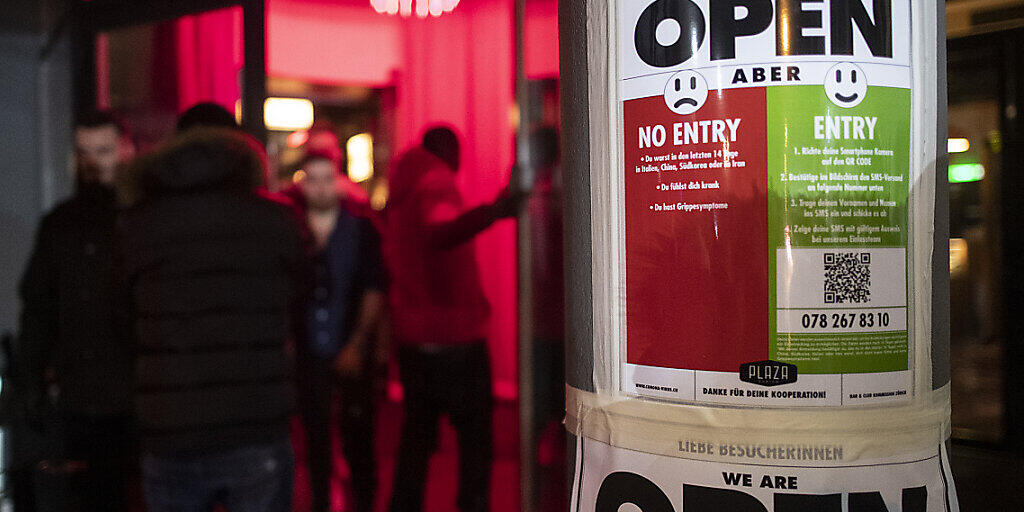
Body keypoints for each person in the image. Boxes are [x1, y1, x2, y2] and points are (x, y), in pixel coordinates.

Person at [115, 127, 305, 512]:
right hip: (255, 420)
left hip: (171, 427)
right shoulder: (275, 219)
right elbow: (301, 298)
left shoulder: (140, 225)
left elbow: (121, 318)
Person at [386, 125, 525, 512]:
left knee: (416, 440)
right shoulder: (434, 179)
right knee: (476, 442)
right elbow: (440, 231)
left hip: (415, 335)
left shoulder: (403, 185)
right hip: (453, 336)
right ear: (448, 151)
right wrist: (494, 212)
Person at [15, 109, 136, 512]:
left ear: (125, 151)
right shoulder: (63, 223)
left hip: (132, 397)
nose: (93, 161)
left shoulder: (141, 220)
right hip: (84, 395)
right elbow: (39, 307)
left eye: (103, 151)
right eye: (85, 152)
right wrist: (30, 380)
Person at [289, 149, 386, 512]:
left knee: (358, 436)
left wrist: (359, 345)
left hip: (349, 347)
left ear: (339, 181)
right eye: (312, 179)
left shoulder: (361, 230)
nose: (320, 187)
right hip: (308, 349)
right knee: (314, 437)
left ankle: (362, 502)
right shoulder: (292, 230)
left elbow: (375, 287)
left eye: (327, 178)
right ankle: (321, 501)